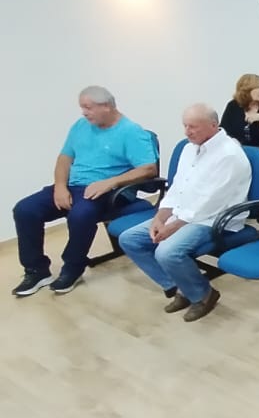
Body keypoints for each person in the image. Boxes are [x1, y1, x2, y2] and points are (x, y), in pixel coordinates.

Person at [12, 86, 159, 297]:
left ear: (106, 106)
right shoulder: (81, 126)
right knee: (25, 210)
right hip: (73, 186)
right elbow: (64, 158)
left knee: (81, 214)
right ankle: (36, 271)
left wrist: (110, 182)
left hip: (108, 191)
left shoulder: (131, 132)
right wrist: (60, 186)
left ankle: (73, 267)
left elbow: (148, 169)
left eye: (88, 107)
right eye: (82, 107)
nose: (84, 112)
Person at [118, 104, 251, 322]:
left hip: (213, 218)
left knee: (166, 252)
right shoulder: (189, 148)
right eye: (185, 126)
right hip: (183, 213)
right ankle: (181, 287)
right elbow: (176, 188)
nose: (187, 132)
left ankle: (203, 295)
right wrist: (160, 217)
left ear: (213, 125)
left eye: (193, 127)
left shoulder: (229, 154)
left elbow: (210, 203)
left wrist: (172, 226)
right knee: (130, 239)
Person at [220, 74, 259, 151]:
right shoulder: (233, 106)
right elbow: (224, 131)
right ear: (246, 90)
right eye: (258, 87)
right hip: (237, 152)